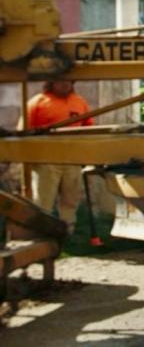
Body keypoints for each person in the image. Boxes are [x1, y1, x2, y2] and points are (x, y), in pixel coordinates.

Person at [26, 80, 94, 233]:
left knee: (70, 200)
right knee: (43, 200)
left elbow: (89, 129)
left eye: (69, 82)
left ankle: (67, 231)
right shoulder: (37, 102)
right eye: (62, 81)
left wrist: (86, 155)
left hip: (72, 159)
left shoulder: (79, 102)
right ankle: (41, 232)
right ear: (51, 83)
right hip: (46, 159)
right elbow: (23, 130)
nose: (66, 85)